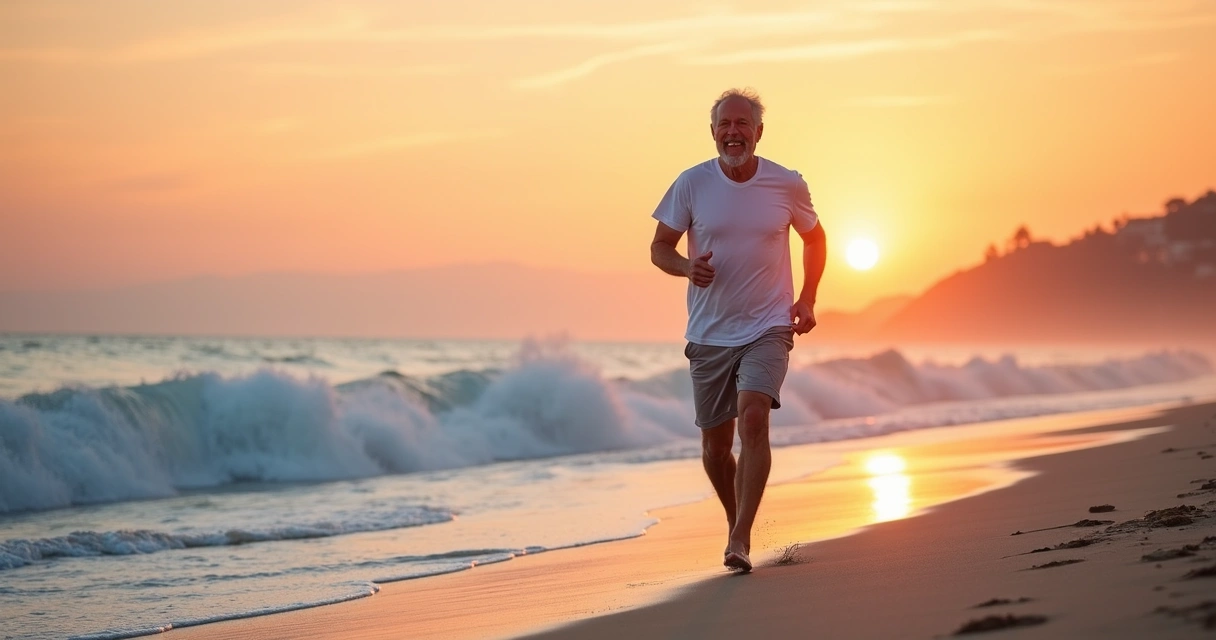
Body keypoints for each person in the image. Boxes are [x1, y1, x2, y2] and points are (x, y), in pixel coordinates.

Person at [649, 88, 827, 573]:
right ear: (713, 133)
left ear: (758, 131)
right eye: (724, 125)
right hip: (708, 331)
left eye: (742, 124)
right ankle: (736, 523)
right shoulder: (691, 184)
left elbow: (815, 238)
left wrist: (807, 296)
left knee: (753, 419)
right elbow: (660, 246)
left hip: (769, 325)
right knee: (714, 444)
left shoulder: (786, 184)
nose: (733, 133)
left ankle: (741, 538)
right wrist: (687, 268)